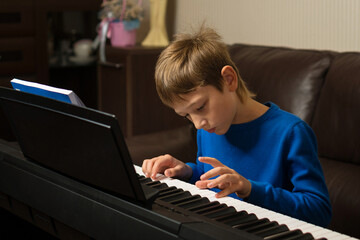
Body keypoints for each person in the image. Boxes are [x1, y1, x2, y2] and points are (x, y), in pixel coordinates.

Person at [142, 26, 332, 227]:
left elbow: (319, 211)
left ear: (229, 80)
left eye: (200, 107)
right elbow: (215, 180)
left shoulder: (291, 132)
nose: (198, 123)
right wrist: (187, 172)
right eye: (187, 115)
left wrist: (250, 189)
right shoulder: (208, 129)